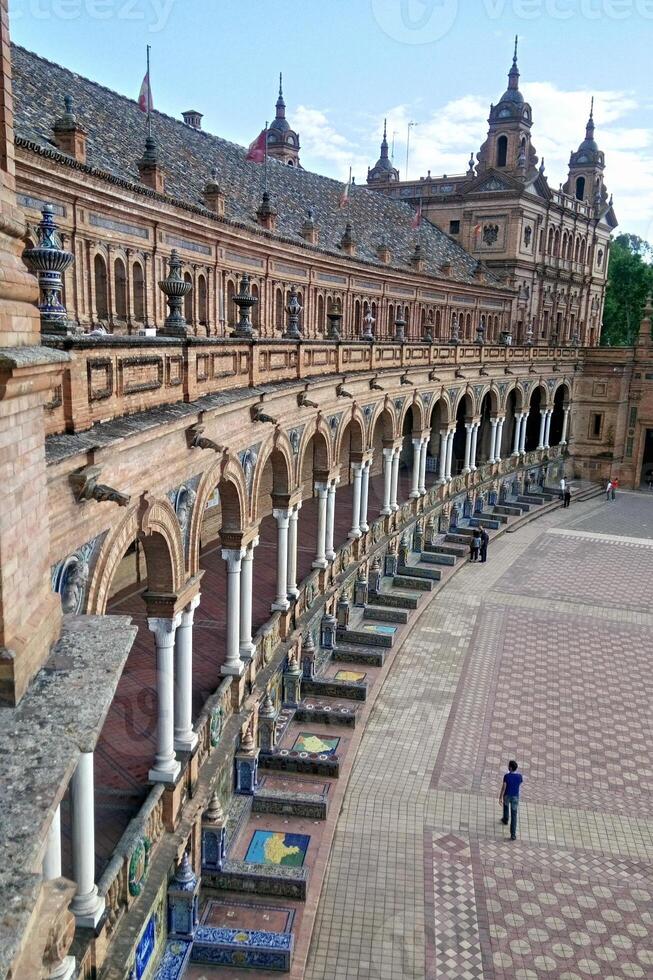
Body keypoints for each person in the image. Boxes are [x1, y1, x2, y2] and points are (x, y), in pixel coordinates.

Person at [499, 760, 523, 840]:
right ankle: (513, 834)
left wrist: (500, 797)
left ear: (510, 768)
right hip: (515, 796)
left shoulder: (506, 776)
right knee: (514, 815)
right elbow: (519, 783)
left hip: (507, 795)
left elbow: (504, 787)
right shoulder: (519, 776)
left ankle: (505, 819)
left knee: (506, 807)